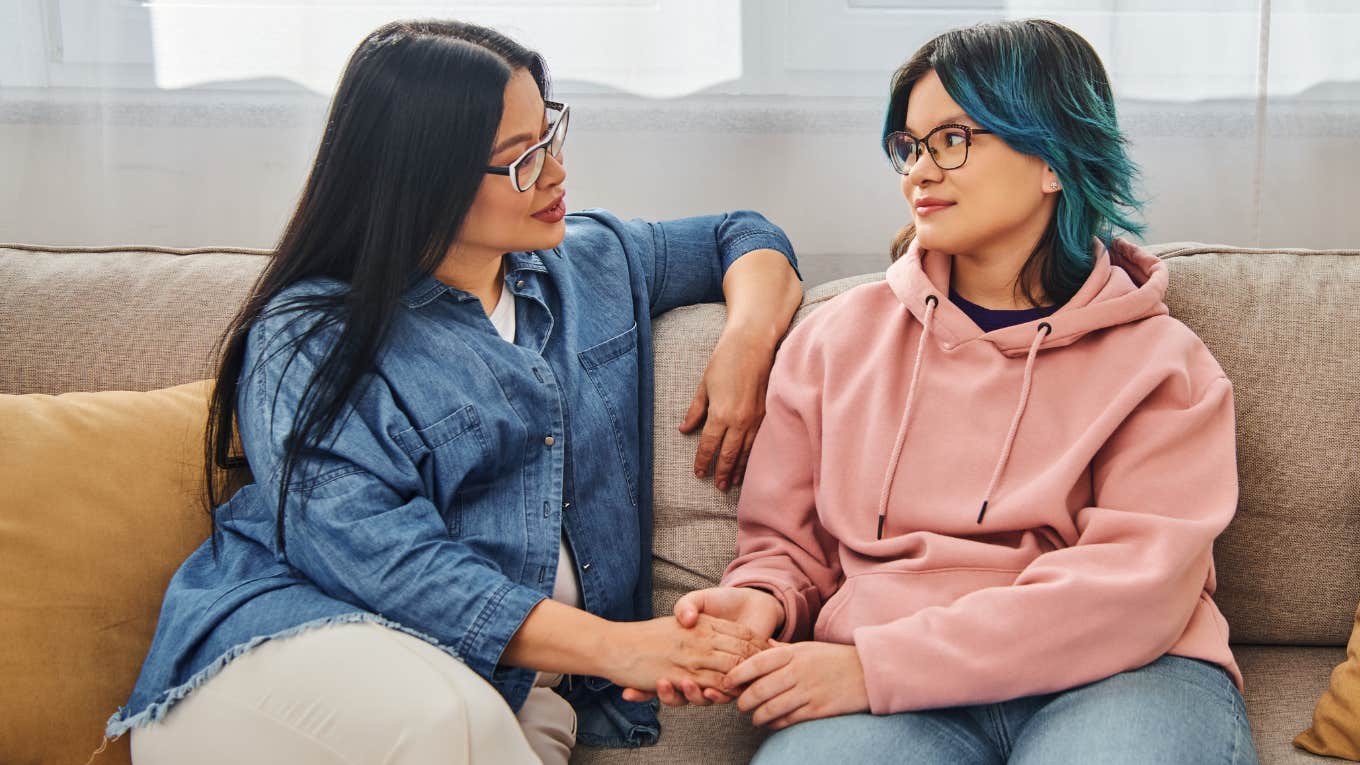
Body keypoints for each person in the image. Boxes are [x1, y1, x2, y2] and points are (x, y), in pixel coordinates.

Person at [105, 19, 802, 765]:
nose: (557, 173)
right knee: (446, 723)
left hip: (498, 692)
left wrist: (747, 342)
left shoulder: (589, 265)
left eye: (551, 136)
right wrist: (617, 647)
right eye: (522, 159)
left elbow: (742, 233)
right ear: (424, 179)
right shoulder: (308, 338)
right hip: (288, 653)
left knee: (472, 723)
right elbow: (388, 562)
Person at [664, 19, 1259, 764]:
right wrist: (760, 603)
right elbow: (788, 550)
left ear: (1052, 156)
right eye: (909, 146)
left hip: (1122, 676)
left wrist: (874, 667)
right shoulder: (831, 341)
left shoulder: (1165, 366)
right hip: (883, 694)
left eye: (952, 139)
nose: (919, 170)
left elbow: (1130, 593)